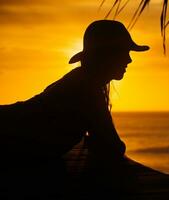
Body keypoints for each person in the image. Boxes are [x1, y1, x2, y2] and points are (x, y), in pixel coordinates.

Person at [0, 20, 149, 162]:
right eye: (123, 52)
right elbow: (113, 147)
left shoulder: (81, 81)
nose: (129, 60)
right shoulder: (87, 89)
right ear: (107, 55)